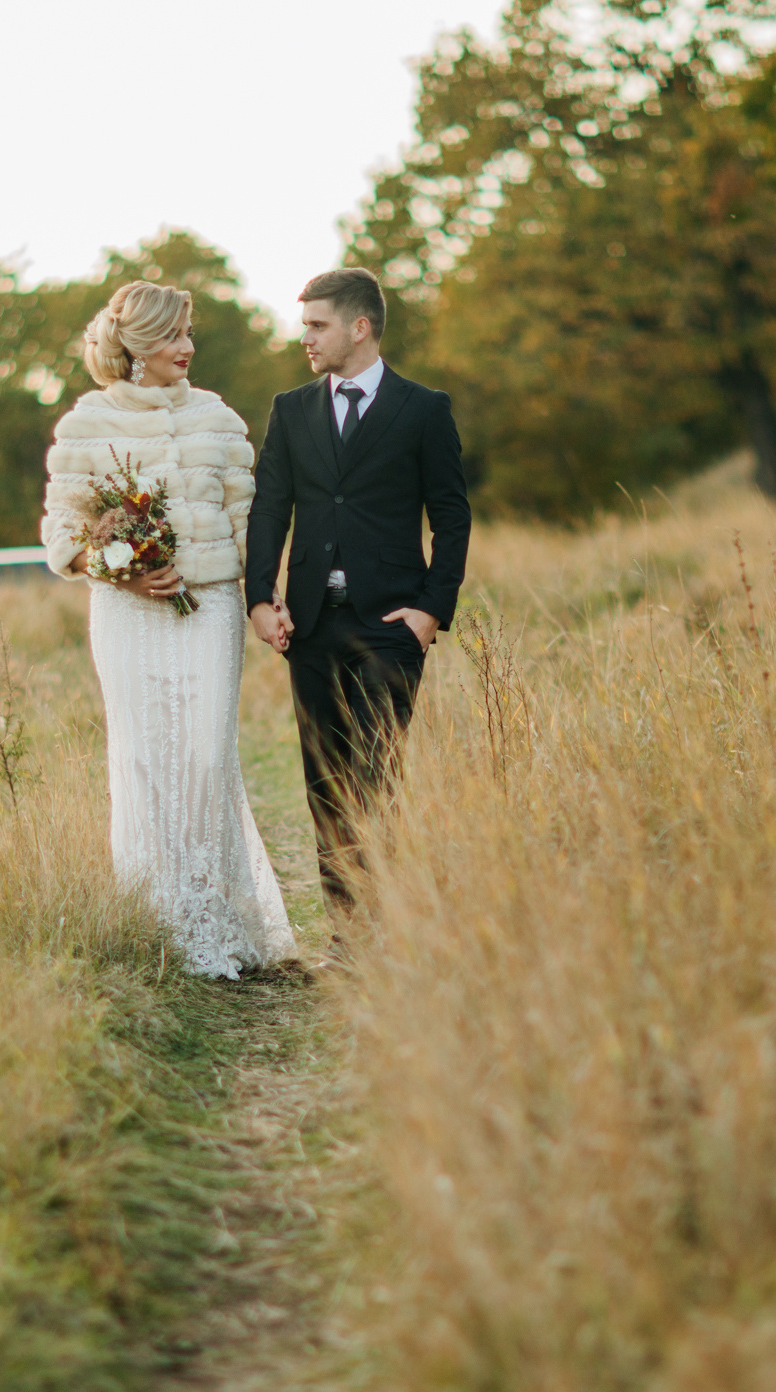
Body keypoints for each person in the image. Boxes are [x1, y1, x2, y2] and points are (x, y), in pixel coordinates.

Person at [40, 280, 297, 978]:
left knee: (207, 756)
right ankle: (160, 924)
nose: (187, 346)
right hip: (126, 615)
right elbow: (62, 532)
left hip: (209, 608)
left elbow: (249, 522)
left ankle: (218, 920)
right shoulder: (87, 423)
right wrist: (118, 570)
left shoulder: (218, 418)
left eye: (189, 334)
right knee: (146, 759)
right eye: (173, 335)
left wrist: (265, 598)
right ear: (138, 345)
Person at [245, 267, 471, 920]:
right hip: (310, 626)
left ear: (360, 327)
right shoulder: (291, 410)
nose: (306, 338)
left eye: (318, 325)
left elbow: (451, 516)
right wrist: (260, 596)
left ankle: (379, 924)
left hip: (391, 625)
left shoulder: (423, 409)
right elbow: (270, 506)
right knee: (326, 784)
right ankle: (348, 935)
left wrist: (430, 610)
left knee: (376, 778)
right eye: (305, 325)